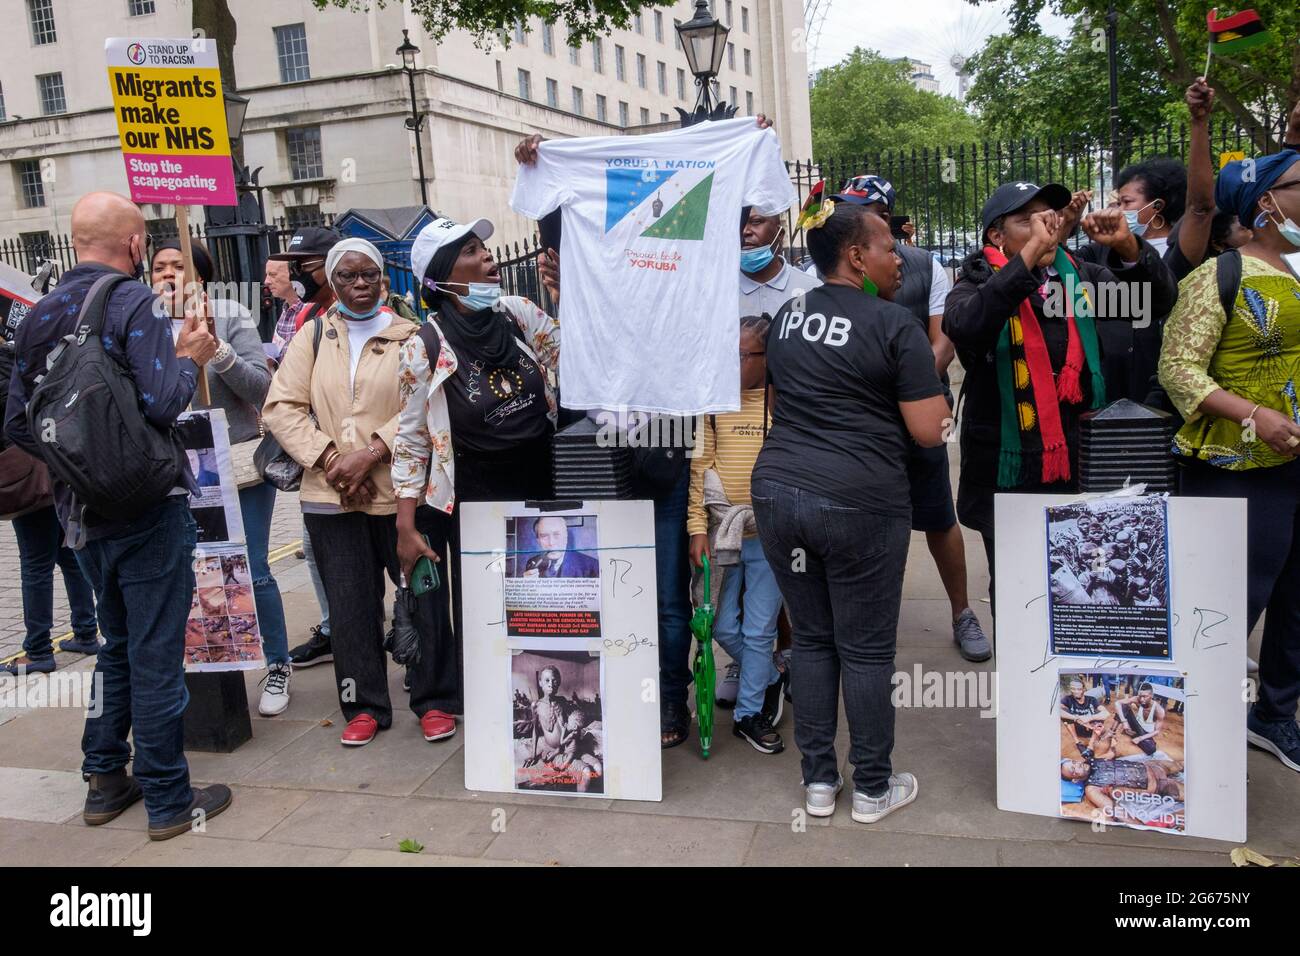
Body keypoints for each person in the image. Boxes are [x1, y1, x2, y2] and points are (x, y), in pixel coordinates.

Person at [3, 191, 231, 839]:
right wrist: (190, 356)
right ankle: (167, 797)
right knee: (156, 652)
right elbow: (162, 403)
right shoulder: (132, 301)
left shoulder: (38, 314)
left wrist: (77, 466)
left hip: (82, 512)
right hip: (147, 503)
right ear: (134, 245)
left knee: (117, 647)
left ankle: (105, 778)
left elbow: (18, 423)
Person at [751, 200, 950, 823]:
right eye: (889, 246)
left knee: (811, 639)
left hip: (781, 493)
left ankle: (817, 783)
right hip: (861, 501)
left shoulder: (786, 317)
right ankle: (871, 787)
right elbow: (926, 430)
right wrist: (940, 409)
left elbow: (782, 399)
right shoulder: (896, 326)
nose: (899, 258)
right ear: (856, 256)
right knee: (865, 650)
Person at [943, 182, 1177, 609]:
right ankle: (1021, 675)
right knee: (1019, 590)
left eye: (1049, 214)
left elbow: (1157, 302)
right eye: (1027, 220)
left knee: (1089, 588)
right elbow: (968, 328)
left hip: (1081, 465)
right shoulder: (977, 279)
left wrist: (1129, 248)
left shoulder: (1082, 277)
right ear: (996, 235)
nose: (1045, 224)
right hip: (1008, 472)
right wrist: (1029, 258)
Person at [1157, 150, 1300, 773]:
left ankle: (1273, 716)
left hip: (1297, 468)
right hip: (1235, 470)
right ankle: (1186, 735)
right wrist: (1253, 415)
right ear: (1266, 202)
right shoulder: (1221, 275)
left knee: (1296, 601)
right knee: (1226, 605)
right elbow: (1178, 370)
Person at [391, 216, 560, 743]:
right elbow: (413, 437)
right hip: (469, 493)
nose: (488, 257)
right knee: (475, 598)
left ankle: (531, 685)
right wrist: (404, 522)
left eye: (485, 248)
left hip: (538, 479)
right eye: (471, 251)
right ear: (443, 275)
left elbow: (574, 355)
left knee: (533, 593)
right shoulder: (425, 344)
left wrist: (570, 294)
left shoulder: (517, 313)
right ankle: (460, 696)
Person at [262, 237, 418, 746]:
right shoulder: (312, 337)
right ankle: (365, 704)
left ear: (384, 279)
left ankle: (434, 697)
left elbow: (424, 407)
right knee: (351, 608)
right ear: (332, 280)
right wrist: (331, 459)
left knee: (423, 597)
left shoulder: (412, 335)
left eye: (368, 274)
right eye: (347, 276)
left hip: (399, 493)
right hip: (332, 497)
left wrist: (371, 452)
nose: (358, 284)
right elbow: (281, 406)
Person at [831, 174, 991, 661]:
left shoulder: (925, 267)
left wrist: (910, 386)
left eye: (855, 208)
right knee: (858, 521)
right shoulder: (837, 270)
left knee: (939, 514)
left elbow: (943, 340)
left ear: (882, 214)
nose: (844, 215)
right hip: (860, 421)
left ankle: (962, 611)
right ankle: (854, 618)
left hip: (922, 411)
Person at [150, 238, 292, 717]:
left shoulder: (230, 312)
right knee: (194, 574)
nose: (169, 275)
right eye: (159, 267)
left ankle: (277, 664)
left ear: (201, 277)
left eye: (179, 266)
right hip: (174, 470)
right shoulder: (141, 323)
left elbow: (265, 387)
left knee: (249, 567)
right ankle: (211, 666)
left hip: (235, 462)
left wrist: (217, 351)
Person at [1077, 80, 1217, 405]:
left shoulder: (1182, 249)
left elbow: (1201, 206)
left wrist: (1198, 123)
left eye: (1126, 202)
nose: (1116, 211)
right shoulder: (1100, 252)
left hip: (1167, 393)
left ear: (1157, 206)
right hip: (1111, 391)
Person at [688, 314, 788, 753]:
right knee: (718, 624)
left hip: (769, 535)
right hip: (721, 531)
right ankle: (769, 676)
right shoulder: (713, 404)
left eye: (744, 356)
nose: (733, 364)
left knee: (760, 629)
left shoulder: (782, 404)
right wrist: (697, 529)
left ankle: (749, 714)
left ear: (767, 359)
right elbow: (700, 469)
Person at [0, 282, 99, 675]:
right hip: (52, 466)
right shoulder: (16, 357)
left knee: (34, 563)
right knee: (67, 552)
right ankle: (87, 630)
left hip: (23, 475)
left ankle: (38, 650)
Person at [268, 227, 341, 670]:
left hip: (371, 457)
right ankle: (336, 628)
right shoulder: (304, 318)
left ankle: (409, 632)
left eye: (305, 264)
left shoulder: (381, 311)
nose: (297, 274)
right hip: (320, 459)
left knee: (390, 550)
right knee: (316, 545)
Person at [522, 516, 599, 578]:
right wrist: (529, 588)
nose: (551, 543)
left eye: (556, 535)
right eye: (544, 536)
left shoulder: (592, 566)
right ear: (538, 541)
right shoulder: (532, 563)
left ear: (566, 536)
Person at [1059, 677, 1110, 759]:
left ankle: (1091, 746)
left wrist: (1089, 718)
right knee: (1065, 715)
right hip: (1077, 729)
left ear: (1084, 689)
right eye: (1073, 689)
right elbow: (1057, 711)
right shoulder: (1067, 699)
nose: (1076, 692)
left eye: (1079, 689)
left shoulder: (1091, 700)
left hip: (1091, 729)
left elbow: (1106, 713)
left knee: (1099, 715)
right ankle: (1078, 742)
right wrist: (1077, 718)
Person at [1112, 683, 1166, 757]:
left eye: (1145, 697)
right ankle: (1111, 732)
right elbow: (1117, 703)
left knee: (1151, 749)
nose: (1142, 699)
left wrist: (1140, 738)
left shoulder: (1159, 710)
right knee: (1124, 706)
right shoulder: (1137, 699)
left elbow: (1156, 731)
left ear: (1152, 695)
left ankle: (1132, 734)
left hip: (1146, 733)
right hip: (1136, 725)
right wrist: (1124, 721)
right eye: (1140, 696)